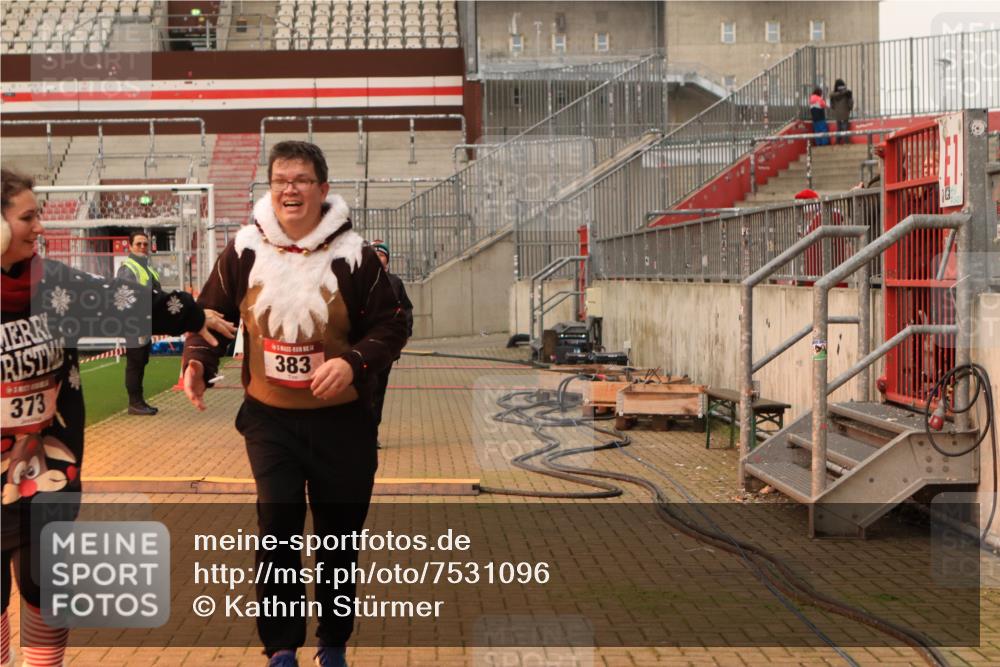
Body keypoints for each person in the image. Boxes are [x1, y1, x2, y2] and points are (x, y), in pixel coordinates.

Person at [181, 141, 407, 667]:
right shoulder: (243, 249)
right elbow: (209, 314)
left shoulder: (356, 257)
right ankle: (281, 648)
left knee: (337, 540)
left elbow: (393, 322)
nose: (290, 188)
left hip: (344, 424)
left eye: (302, 179)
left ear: (323, 190)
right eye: (280, 178)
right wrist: (196, 362)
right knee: (277, 529)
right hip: (270, 421)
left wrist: (353, 362)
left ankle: (332, 644)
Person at [0, 168, 233, 666]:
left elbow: (126, 301)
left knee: (45, 588)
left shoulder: (53, 287)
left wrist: (193, 314)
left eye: (39, 214)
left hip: (50, 475)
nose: (39, 227)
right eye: (27, 217)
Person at [368, 240, 413, 448]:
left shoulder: (395, 283)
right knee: (362, 392)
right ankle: (359, 432)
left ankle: (372, 432)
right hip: (363, 348)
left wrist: (399, 341)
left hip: (385, 349)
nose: (379, 258)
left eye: (382, 254)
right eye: (374, 254)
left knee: (378, 392)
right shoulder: (361, 282)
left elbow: (406, 313)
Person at [117, 229, 161, 415]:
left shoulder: (147, 268)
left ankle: (139, 401)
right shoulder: (128, 268)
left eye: (145, 244)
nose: (143, 247)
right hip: (134, 323)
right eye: (139, 244)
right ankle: (134, 403)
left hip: (144, 322)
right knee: (135, 363)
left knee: (141, 361)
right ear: (130, 246)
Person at [830, 79, 854, 145]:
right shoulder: (848, 93)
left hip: (837, 113)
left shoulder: (833, 95)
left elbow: (832, 105)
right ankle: (846, 142)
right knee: (845, 127)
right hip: (845, 112)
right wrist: (850, 108)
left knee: (839, 127)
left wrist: (835, 109)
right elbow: (850, 102)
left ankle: (837, 141)